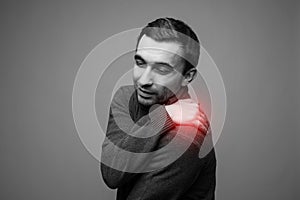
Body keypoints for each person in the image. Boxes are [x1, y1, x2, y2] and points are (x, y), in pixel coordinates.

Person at [101, 17, 216, 200]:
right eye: (140, 63)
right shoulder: (126, 97)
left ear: (187, 76)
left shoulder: (188, 136)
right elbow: (111, 172)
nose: (144, 81)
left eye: (162, 70)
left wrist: (161, 118)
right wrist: (165, 116)